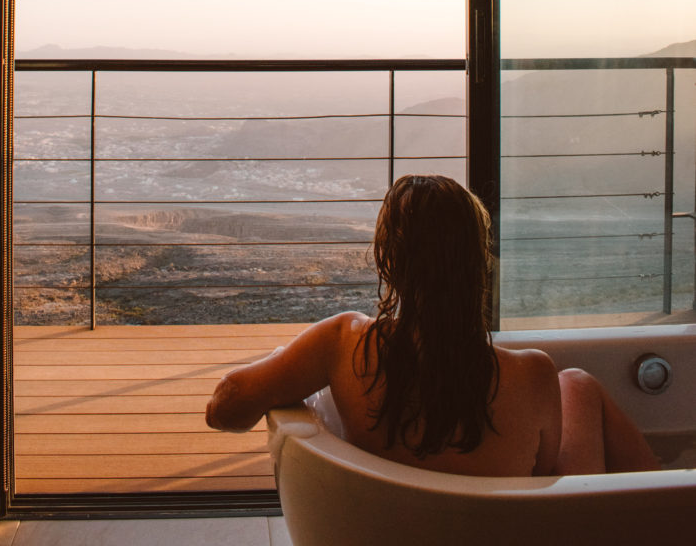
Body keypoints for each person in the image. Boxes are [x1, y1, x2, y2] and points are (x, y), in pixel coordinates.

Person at [205, 174, 659, 476]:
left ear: (388, 261)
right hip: (516, 532)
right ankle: (673, 496)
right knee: (577, 384)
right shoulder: (531, 375)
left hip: (399, 525)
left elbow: (224, 410)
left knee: (577, 384)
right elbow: (544, 486)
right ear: (477, 263)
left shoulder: (344, 345)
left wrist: (283, 367)